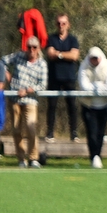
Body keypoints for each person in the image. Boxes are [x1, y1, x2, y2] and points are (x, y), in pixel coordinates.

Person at [2, 38, 48, 168]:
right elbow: (2, 61)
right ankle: (21, 159)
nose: (31, 50)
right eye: (29, 47)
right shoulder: (18, 56)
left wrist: (27, 90)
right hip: (15, 99)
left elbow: (42, 85)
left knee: (31, 128)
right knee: (16, 130)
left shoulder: (42, 64)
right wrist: (7, 74)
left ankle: (33, 158)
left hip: (30, 100)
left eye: (34, 47)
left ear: (38, 49)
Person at [78, 47, 107, 169]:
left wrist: (97, 87)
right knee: (92, 133)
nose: (94, 60)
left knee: (100, 132)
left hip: (104, 105)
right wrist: (97, 87)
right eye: (92, 58)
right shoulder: (84, 66)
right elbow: (84, 86)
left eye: (96, 58)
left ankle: (97, 156)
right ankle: (94, 156)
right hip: (88, 106)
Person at [45, 13, 80, 143]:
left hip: (69, 77)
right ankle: (50, 133)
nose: (61, 26)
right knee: (52, 105)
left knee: (72, 105)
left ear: (68, 24)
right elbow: (50, 54)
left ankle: (74, 133)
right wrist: (66, 54)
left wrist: (58, 54)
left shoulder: (73, 39)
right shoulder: (51, 38)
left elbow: (74, 56)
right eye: (59, 23)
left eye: (64, 23)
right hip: (54, 77)